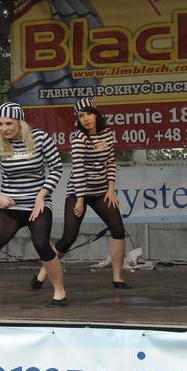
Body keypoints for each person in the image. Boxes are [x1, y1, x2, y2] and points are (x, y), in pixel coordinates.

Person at [0, 101, 67, 306]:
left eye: (8, 123)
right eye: (0, 124)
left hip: (37, 204)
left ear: (20, 123)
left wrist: (42, 195)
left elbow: (56, 168)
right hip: (10, 207)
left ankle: (60, 292)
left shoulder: (39, 138)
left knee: (42, 245)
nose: (4, 128)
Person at [31, 97, 130, 290]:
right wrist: (80, 200)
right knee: (69, 237)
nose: (86, 118)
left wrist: (111, 189)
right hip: (78, 191)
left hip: (101, 190)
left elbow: (110, 161)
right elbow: (78, 170)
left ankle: (118, 278)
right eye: (81, 115)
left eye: (89, 114)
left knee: (118, 229)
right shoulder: (78, 138)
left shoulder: (107, 133)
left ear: (96, 114)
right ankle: (42, 274)